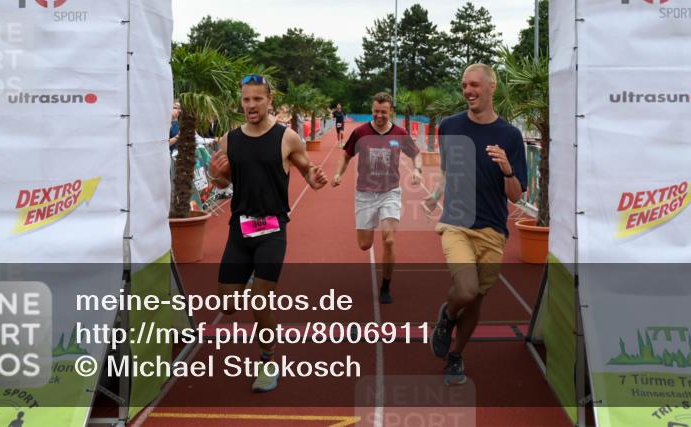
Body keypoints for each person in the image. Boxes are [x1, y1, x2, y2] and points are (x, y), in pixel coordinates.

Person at [207, 74, 328, 393]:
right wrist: (215, 176)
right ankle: (250, 282)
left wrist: (314, 179)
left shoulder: (286, 138)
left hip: (272, 229)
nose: (250, 105)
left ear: (269, 100)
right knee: (228, 304)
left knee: (260, 302)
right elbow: (222, 184)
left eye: (257, 99)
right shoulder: (229, 139)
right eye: (246, 99)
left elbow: (307, 170)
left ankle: (267, 360)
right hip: (240, 228)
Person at [422, 64, 527, 386]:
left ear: (491, 87)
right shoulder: (450, 127)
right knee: (465, 289)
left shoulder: (510, 135)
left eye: (475, 85)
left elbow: (517, 194)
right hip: (457, 222)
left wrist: (508, 170)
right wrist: (436, 195)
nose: (468, 90)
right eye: (465, 85)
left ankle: (456, 355)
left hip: (493, 229)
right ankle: (447, 316)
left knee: (477, 300)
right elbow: (449, 171)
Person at [332, 92, 422, 304]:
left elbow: (416, 154)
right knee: (364, 245)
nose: (379, 115)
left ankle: (386, 286)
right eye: (375, 111)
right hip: (365, 193)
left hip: (390, 192)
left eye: (383, 111)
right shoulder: (361, 132)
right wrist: (338, 174)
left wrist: (417, 170)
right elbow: (345, 156)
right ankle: (369, 236)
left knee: (389, 240)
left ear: (391, 111)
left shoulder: (400, 133)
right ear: (372, 110)